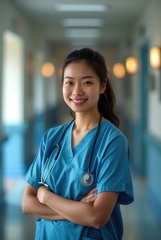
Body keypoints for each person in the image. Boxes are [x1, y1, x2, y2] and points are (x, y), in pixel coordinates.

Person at [22, 48, 134, 240]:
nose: (77, 91)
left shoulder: (113, 142)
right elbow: (27, 203)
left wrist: (46, 197)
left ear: (102, 86)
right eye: (69, 82)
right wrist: (77, 211)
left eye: (87, 82)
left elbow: (97, 217)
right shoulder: (52, 138)